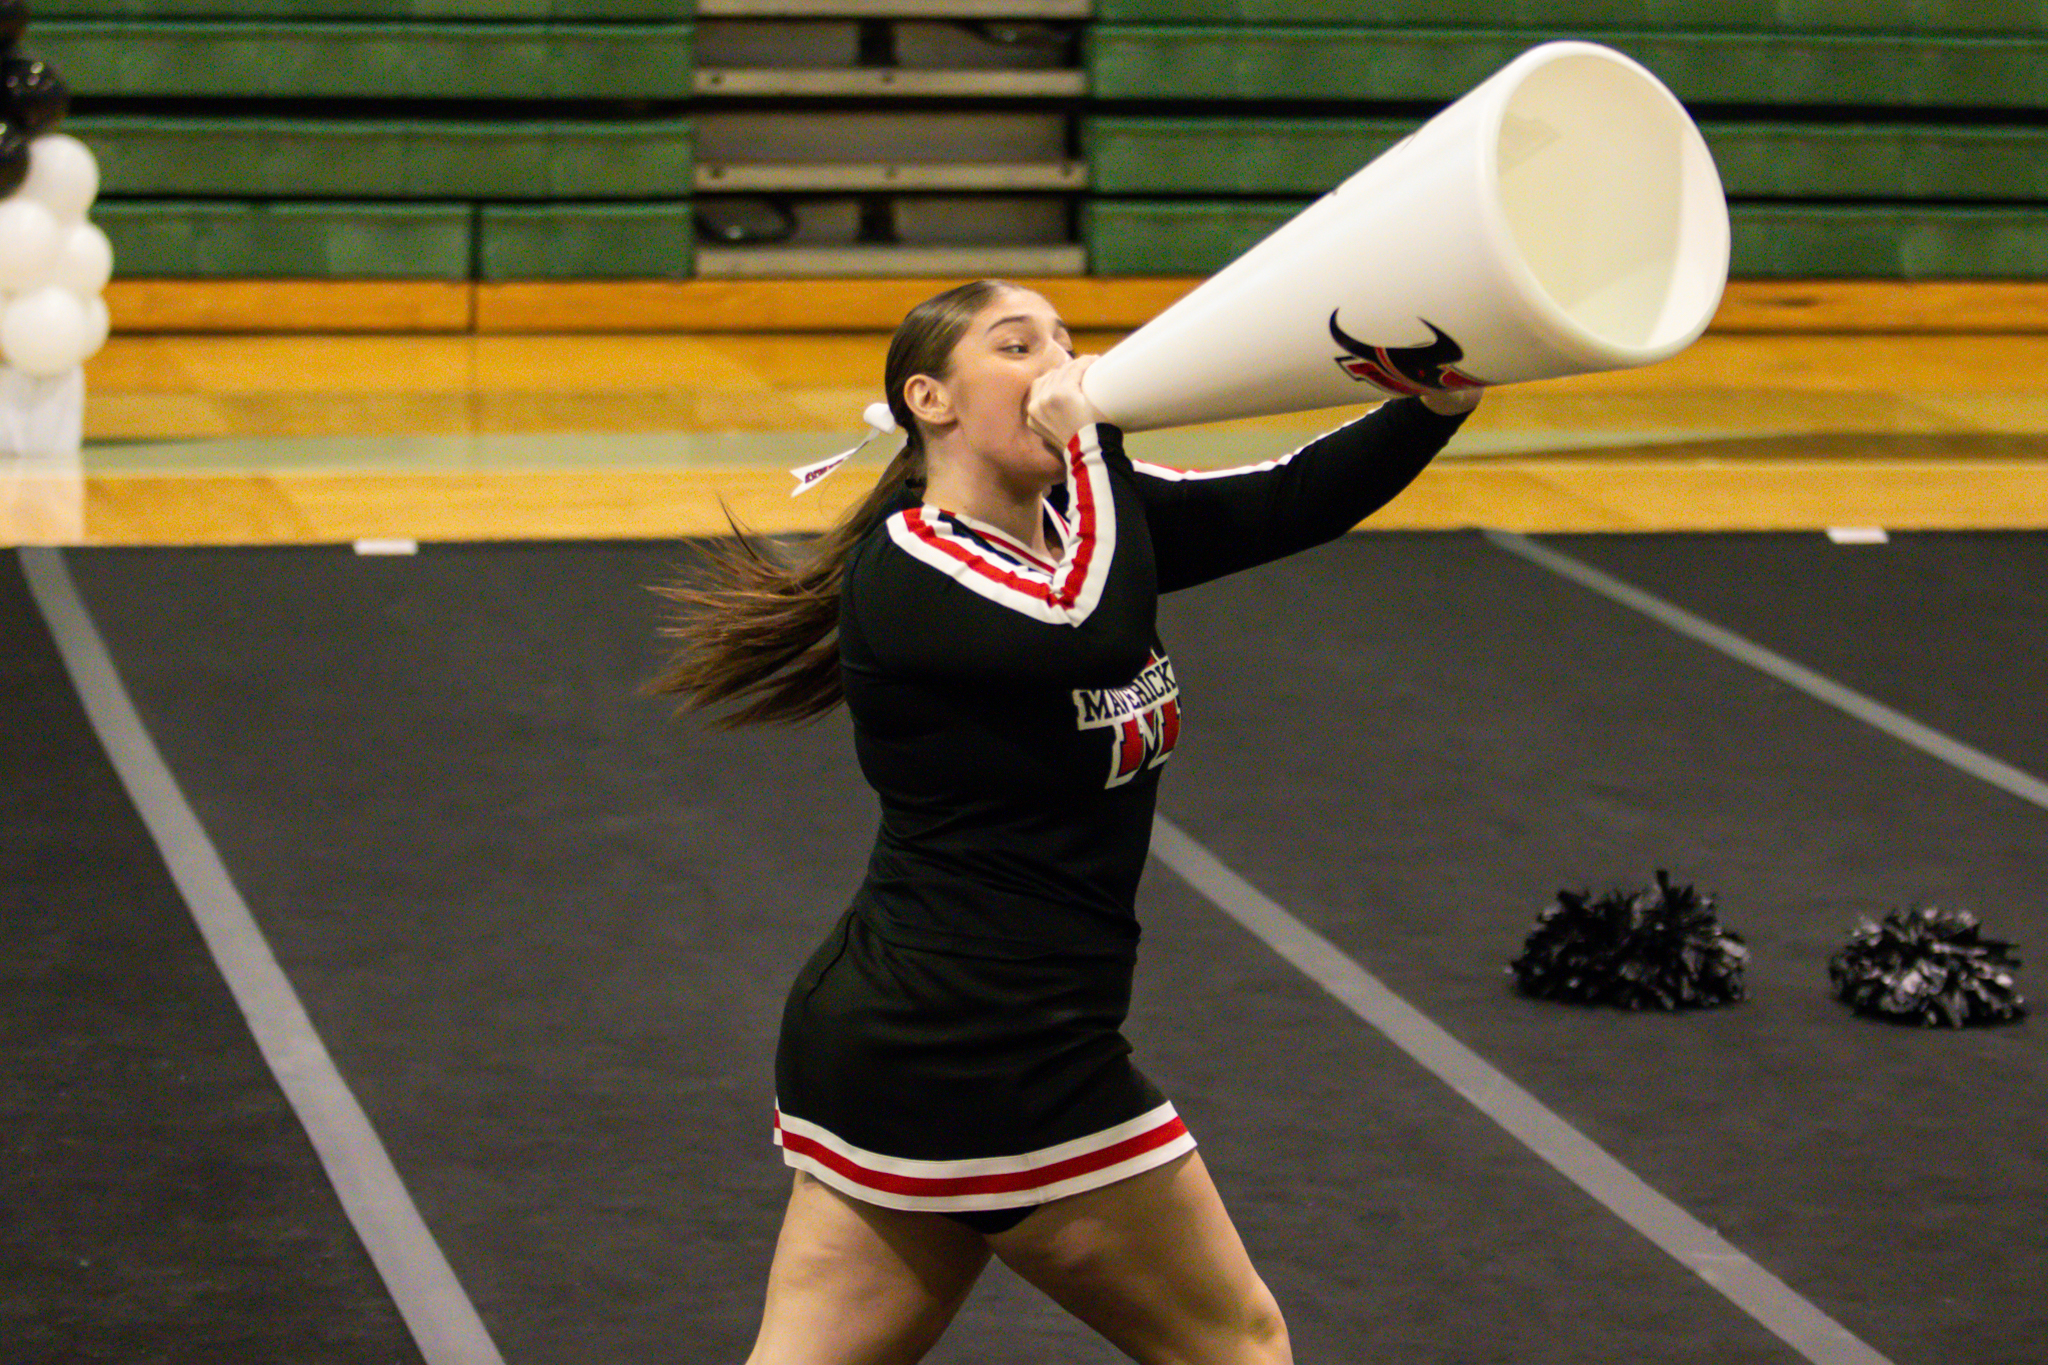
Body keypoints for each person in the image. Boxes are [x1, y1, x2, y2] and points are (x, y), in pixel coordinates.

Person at [650, 279, 1479, 1365]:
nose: (1061, 364)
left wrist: (1430, 409)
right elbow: (1087, 627)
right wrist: (1092, 448)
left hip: (908, 1040)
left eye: (1067, 341)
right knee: (1236, 1344)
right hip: (991, 1046)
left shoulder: (1077, 523)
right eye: (1016, 345)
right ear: (930, 401)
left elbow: (1286, 500)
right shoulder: (913, 565)